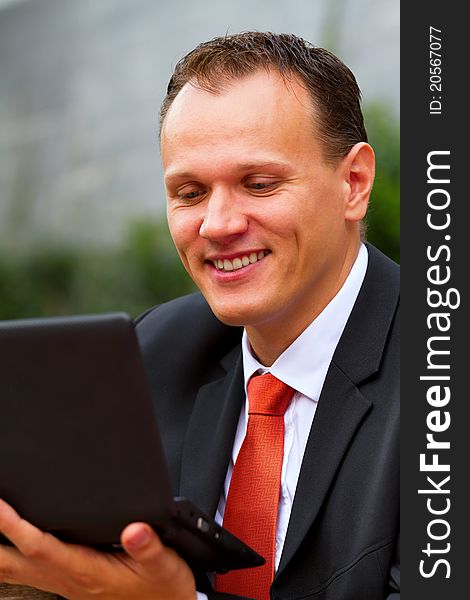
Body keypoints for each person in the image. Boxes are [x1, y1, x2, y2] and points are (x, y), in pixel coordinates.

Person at [0, 32, 399, 599]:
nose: (216, 224)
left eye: (258, 184)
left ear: (353, 184)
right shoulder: (151, 353)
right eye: (189, 192)